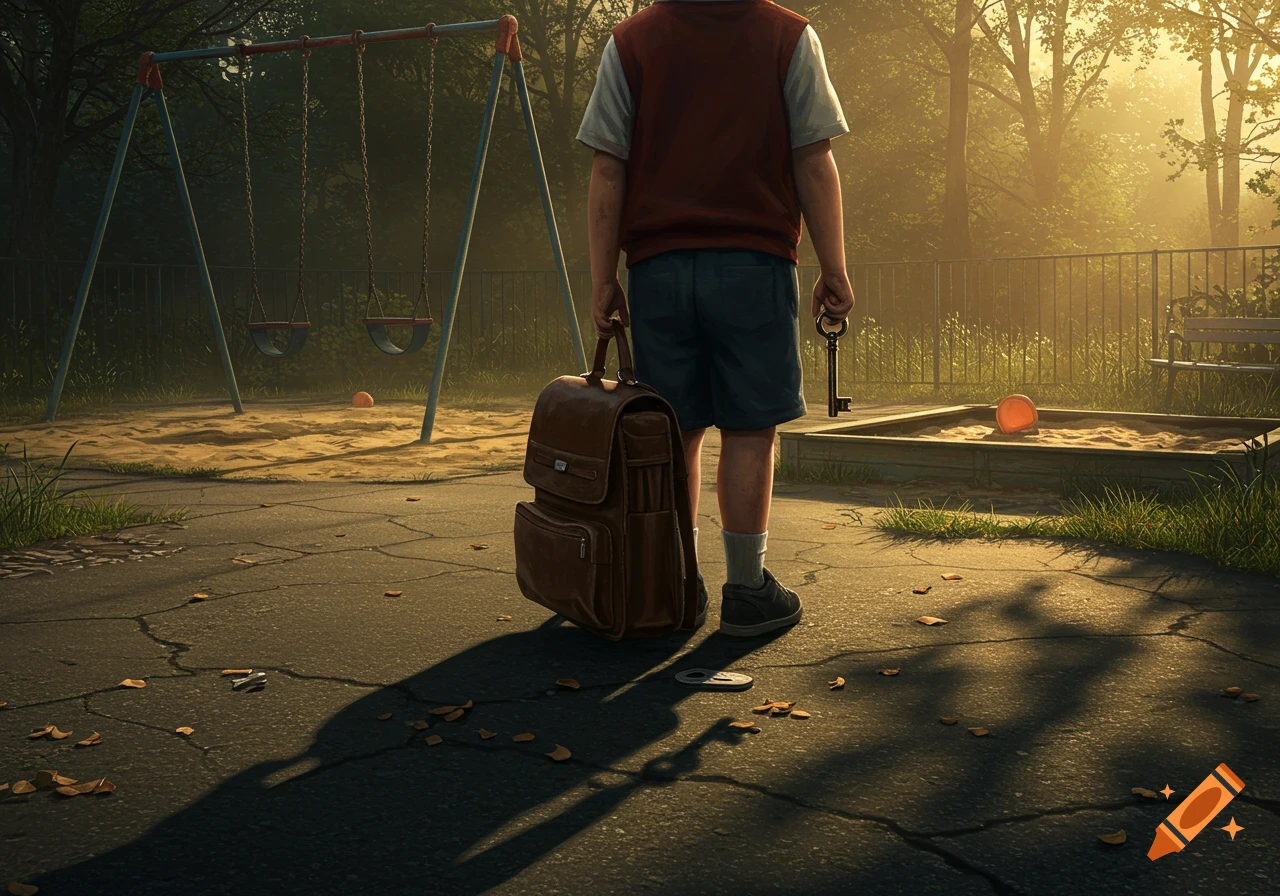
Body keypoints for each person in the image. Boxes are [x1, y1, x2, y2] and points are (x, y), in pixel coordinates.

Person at [578, 0, 854, 637]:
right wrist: (834, 266)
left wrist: (603, 279)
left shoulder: (631, 41)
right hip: (754, 266)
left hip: (659, 270)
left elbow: (607, 167)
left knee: (675, 429)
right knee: (750, 428)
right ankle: (747, 590)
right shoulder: (788, 37)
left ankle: (676, 584)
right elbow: (814, 160)